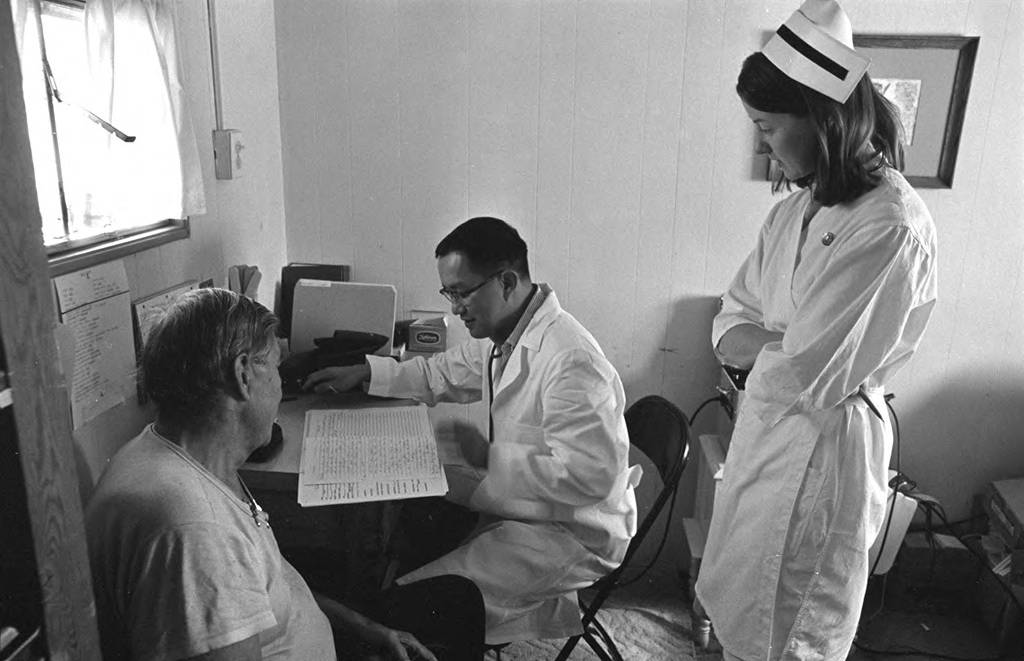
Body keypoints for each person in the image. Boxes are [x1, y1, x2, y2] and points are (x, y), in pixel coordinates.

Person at [693, 2, 938, 660]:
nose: (762, 144)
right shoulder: (793, 213)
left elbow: (807, 369)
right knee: (741, 615)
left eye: (768, 127)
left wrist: (762, 350)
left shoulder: (889, 226)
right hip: (766, 438)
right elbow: (730, 316)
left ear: (822, 118)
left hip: (825, 454)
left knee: (794, 631)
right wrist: (764, 349)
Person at [85, 287, 484, 660]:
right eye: (277, 367)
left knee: (456, 597)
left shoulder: (177, 451)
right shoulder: (197, 532)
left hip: (306, 633)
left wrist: (369, 629)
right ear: (243, 375)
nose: (281, 386)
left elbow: (269, 588)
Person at [305, 216, 642, 645]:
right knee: (409, 539)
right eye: (449, 293)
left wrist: (487, 458)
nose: (454, 307)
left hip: (572, 532)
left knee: (424, 603)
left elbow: (590, 477)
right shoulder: (503, 333)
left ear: (505, 281)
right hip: (529, 505)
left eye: (461, 293)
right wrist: (366, 373)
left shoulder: (571, 361)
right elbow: (440, 373)